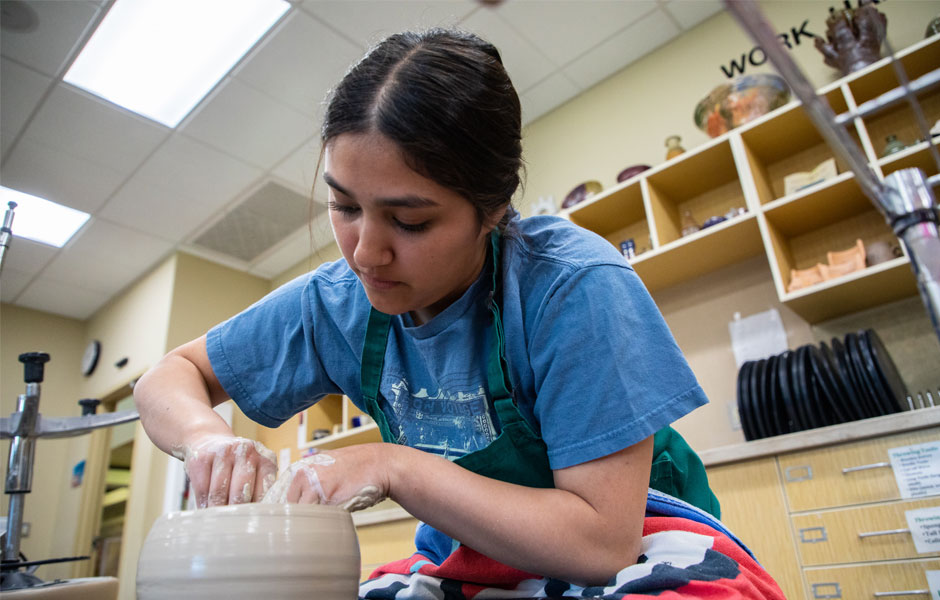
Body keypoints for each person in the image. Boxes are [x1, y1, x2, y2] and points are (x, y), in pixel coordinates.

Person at [135, 29, 782, 599]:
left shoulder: (572, 285)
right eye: (345, 206)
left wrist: (395, 467)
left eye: (409, 220)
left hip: (642, 543)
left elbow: (597, 545)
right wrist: (205, 439)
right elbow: (168, 378)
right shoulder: (334, 302)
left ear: (493, 208)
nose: (365, 252)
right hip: (470, 561)